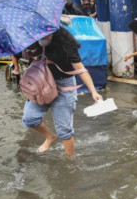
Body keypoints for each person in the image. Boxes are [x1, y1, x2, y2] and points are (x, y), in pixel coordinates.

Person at [22, 27, 102, 156]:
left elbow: (81, 69)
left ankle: (70, 162)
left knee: (64, 131)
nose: (44, 38)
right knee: (29, 118)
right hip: (41, 84)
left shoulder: (66, 43)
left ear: (53, 31)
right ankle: (49, 137)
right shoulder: (33, 40)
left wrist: (94, 91)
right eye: (41, 35)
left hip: (64, 86)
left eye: (47, 35)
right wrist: (31, 54)